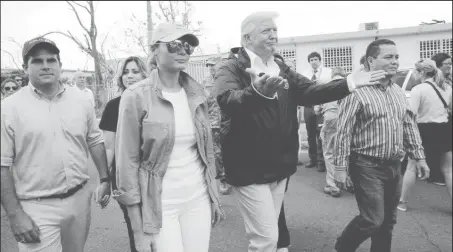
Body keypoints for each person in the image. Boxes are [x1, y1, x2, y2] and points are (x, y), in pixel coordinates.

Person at [213, 11, 387, 252]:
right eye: (266, 31)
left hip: (279, 165)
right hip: (248, 168)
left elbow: (311, 91)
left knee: (269, 235)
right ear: (247, 38)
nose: (274, 35)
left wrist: (348, 83)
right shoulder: (230, 68)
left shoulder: (281, 67)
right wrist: (258, 93)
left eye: (275, 30)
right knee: (265, 240)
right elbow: (227, 100)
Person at [114, 23, 224, 252]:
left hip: (198, 199)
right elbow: (126, 164)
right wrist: (137, 229)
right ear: (155, 50)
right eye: (174, 45)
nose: (183, 51)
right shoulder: (135, 96)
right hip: (160, 205)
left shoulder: (197, 94)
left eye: (187, 46)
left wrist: (213, 197)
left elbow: (207, 152)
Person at [1, 36, 111, 252]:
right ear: (25, 68)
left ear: (60, 65)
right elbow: (2, 165)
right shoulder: (8, 109)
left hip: (79, 200)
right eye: (37, 61)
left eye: (51, 60)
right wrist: (15, 214)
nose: (45, 66)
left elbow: (95, 139)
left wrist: (105, 178)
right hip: (36, 206)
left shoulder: (81, 100)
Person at [333, 38, 429, 252]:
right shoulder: (356, 92)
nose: (395, 61)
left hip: (395, 165)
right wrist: (340, 168)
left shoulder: (397, 92)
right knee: (372, 220)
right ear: (370, 61)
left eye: (396, 57)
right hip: (366, 166)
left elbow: (408, 125)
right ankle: (341, 247)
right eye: (388, 57)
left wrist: (419, 156)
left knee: (388, 222)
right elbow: (343, 131)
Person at [99, 56, 148, 252]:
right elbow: (109, 147)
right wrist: (104, 180)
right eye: (126, 72)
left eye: (135, 71)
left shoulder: (158, 102)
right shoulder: (113, 106)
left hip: (155, 175)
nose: (130, 76)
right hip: (125, 177)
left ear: (146, 73)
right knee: (136, 230)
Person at [397, 59, 452, 212]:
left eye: (415, 71)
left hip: (423, 129)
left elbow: (411, 115)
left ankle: (402, 202)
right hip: (444, 128)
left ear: (421, 72)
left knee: (411, 167)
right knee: (448, 169)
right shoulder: (447, 87)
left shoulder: (418, 89)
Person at [314, 66, 347, 198]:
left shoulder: (326, 87)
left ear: (332, 75)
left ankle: (333, 186)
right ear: (343, 75)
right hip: (347, 119)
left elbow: (316, 109)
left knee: (329, 152)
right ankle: (347, 182)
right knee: (346, 152)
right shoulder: (350, 85)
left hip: (330, 119)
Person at [202, 58, 231, 195]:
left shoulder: (226, 78)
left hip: (229, 121)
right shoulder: (205, 82)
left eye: (213, 66)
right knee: (217, 153)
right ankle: (223, 179)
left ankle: (233, 175)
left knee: (231, 150)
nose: (211, 68)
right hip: (213, 123)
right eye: (209, 66)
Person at [301, 51, 332, 170]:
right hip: (308, 106)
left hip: (322, 106)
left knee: (320, 134)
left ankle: (321, 161)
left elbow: (331, 86)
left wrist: (322, 83)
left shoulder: (328, 72)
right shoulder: (304, 74)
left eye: (315, 59)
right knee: (310, 134)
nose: (314, 62)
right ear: (309, 62)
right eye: (311, 60)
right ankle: (312, 159)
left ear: (319, 60)